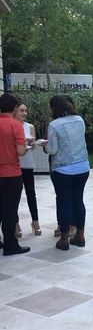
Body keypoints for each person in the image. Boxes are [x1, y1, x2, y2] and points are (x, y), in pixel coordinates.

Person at [45, 95, 90, 251]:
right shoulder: (79, 120)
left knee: (64, 202)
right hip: (82, 166)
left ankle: (64, 239)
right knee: (78, 201)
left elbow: (52, 149)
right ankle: (80, 235)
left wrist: (44, 146)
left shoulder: (54, 125)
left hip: (63, 168)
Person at [0, 93, 30, 256]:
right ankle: (10, 245)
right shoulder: (15, 125)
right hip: (11, 174)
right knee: (10, 211)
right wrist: (26, 146)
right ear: (14, 108)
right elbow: (20, 151)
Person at [13, 100, 42, 237]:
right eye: (21, 111)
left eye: (25, 111)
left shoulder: (30, 127)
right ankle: (15, 223)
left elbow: (33, 146)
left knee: (31, 193)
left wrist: (33, 144)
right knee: (15, 196)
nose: (24, 113)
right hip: (15, 164)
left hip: (28, 164)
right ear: (15, 111)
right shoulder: (11, 125)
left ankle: (35, 222)